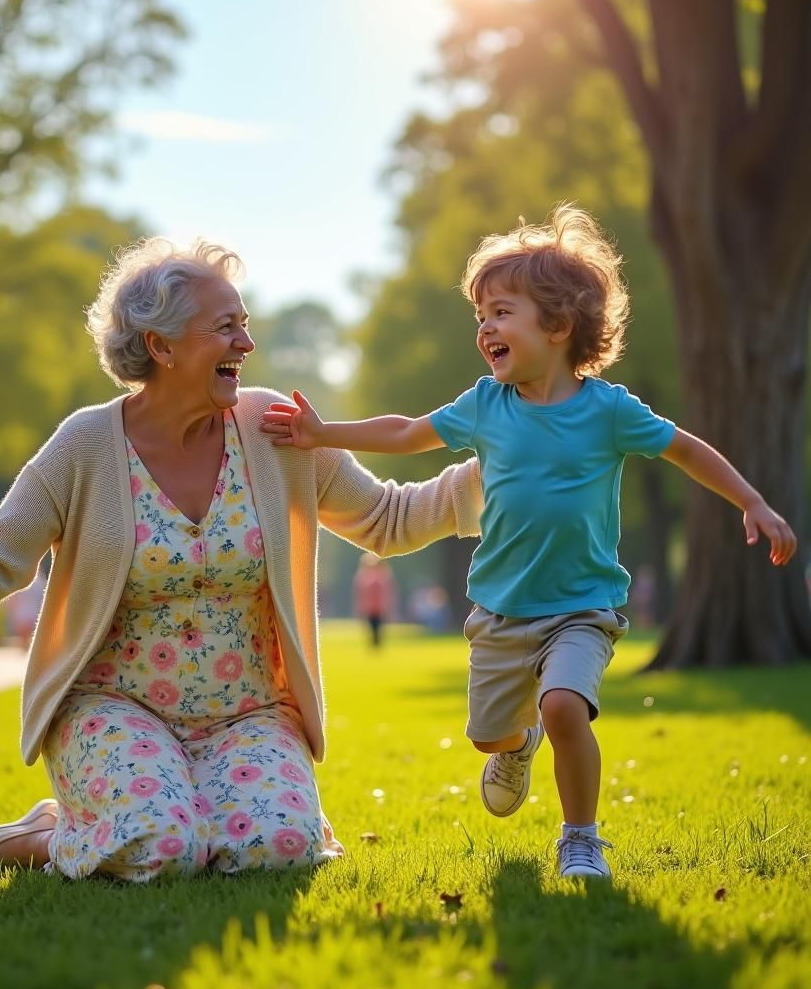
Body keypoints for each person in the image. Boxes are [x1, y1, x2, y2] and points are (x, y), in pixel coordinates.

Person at [0, 239, 484, 881]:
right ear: (161, 346)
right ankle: (48, 835)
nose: (246, 345)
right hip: (112, 708)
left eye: (245, 326)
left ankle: (153, 814)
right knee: (161, 846)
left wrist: (512, 467)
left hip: (246, 712)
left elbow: (388, 519)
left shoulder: (274, 430)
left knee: (277, 847)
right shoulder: (84, 446)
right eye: (226, 328)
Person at [261, 203, 797, 879]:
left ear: (560, 325)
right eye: (481, 315)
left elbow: (686, 450)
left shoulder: (609, 411)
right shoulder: (486, 405)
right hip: (500, 612)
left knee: (566, 705)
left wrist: (751, 501)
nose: (486, 327)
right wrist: (321, 433)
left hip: (582, 608)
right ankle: (515, 748)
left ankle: (581, 837)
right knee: (490, 732)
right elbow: (405, 433)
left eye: (502, 311)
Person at [352, 552, 397, 648]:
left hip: (379, 607)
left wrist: (389, 605)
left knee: (378, 627)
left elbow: (388, 592)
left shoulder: (383, 574)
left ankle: (377, 645)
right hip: (369, 607)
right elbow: (360, 593)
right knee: (371, 627)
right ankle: (374, 645)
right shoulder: (363, 575)